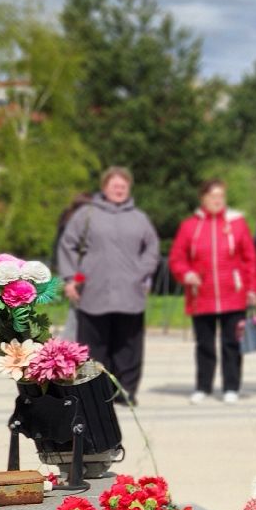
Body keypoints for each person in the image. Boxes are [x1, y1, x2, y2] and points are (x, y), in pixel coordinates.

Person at [57, 166, 161, 405]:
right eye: (115, 186)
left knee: (128, 346)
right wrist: (71, 277)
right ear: (104, 188)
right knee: (94, 345)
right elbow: (68, 245)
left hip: (130, 293)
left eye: (123, 186)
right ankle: (94, 392)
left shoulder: (140, 218)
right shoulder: (86, 214)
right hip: (94, 292)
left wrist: (141, 272)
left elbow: (152, 248)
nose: (119, 190)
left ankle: (126, 391)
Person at [169, 179, 256, 405]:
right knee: (204, 344)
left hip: (234, 295)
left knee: (231, 344)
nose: (217, 200)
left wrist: (252, 289)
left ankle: (231, 387)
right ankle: (203, 386)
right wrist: (186, 274)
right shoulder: (189, 226)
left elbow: (250, 260)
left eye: (220, 196)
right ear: (203, 199)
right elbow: (177, 258)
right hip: (202, 295)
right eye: (212, 196)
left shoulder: (237, 223)